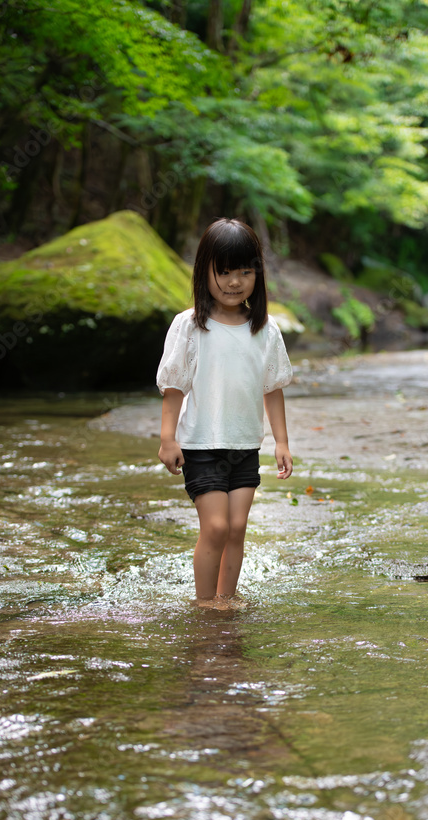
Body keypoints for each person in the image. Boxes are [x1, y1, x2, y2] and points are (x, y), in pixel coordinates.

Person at [156, 218, 293, 608]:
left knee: (236, 528)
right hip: (202, 444)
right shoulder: (190, 326)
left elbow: (273, 389)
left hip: (245, 444)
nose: (235, 282)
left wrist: (281, 441)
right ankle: (204, 603)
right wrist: (168, 439)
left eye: (245, 272)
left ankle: (226, 599)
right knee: (215, 527)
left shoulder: (264, 329)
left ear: (258, 275)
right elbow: (174, 387)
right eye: (225, 272)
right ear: (205, 272)